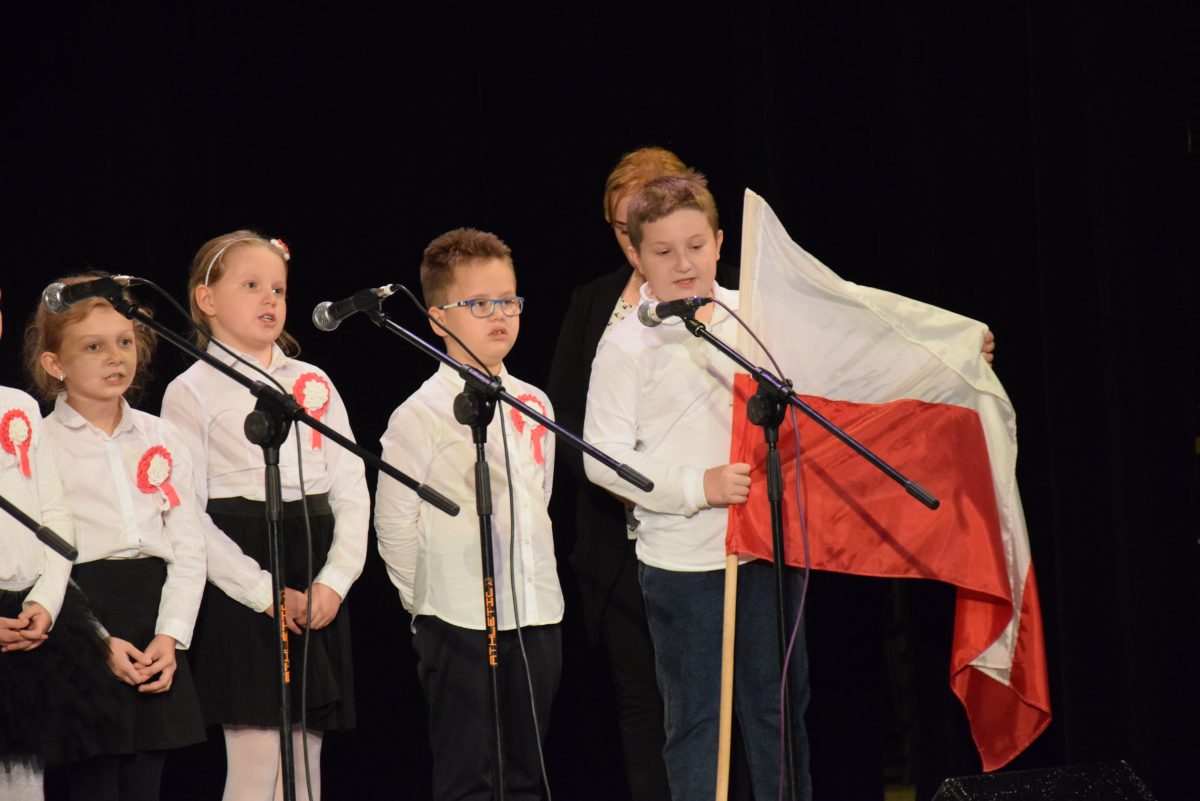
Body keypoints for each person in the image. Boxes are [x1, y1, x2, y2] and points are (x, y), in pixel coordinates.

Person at [583, 172, 814, 801]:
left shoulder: (756, 318)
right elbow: (602, 459)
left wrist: (948, 356)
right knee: (696, 724)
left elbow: (845, 355)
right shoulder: (626, 345)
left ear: (719, 242)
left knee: (777, 716)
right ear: (637, 256)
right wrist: (697, 486)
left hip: (767, 548)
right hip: (683, 565)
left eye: (695, 246)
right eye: (663, 252)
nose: (683, 264)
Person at [546, 146, 741, 801]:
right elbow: (568, 420)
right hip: (621, 544)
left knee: (735, 707)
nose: (640, 234)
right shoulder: (595, 305)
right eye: (623, 223)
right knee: (649, 705)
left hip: (722, 537)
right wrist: (634, 482)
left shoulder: (731, 297)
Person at [161, 232, 369, 801]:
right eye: (251, 285)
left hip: (313, 559)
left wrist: (334, 580)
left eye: (278, 288)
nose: (269, 298)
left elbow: (351, 487)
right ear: (206, 299)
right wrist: (262, 591)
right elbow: (187, 512)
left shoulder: (312, 381)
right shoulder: (190, 391)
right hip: (243, 570)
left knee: (306, 758)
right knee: (256, 760)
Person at [375, 228, 562, 801]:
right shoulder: (420, 415)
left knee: (528, 775)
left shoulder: (534, 403)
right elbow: (394, 525)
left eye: (508, 301)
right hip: (456, 619)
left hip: (536, 613)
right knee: (469, 777)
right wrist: (427, 603)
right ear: (437, 319)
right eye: (479, 304)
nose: (499, 315)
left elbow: (539, 497)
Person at [27, 276, 207, 800]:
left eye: (124, 341)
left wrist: (170, 636)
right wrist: (96, 640)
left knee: (146, 783)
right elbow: (43, 557)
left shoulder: (161, 435)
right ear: (55, 364)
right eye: (93, 346)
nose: (115, 357)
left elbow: (189, 547)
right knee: (93, 784)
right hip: (80, 617)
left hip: (153, 617)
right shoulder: (39, 443)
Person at [1, 289, 112, 801]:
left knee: (25, 782)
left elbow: (54, 515)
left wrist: (46, 600)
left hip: (27, 615)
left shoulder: (18, 406)